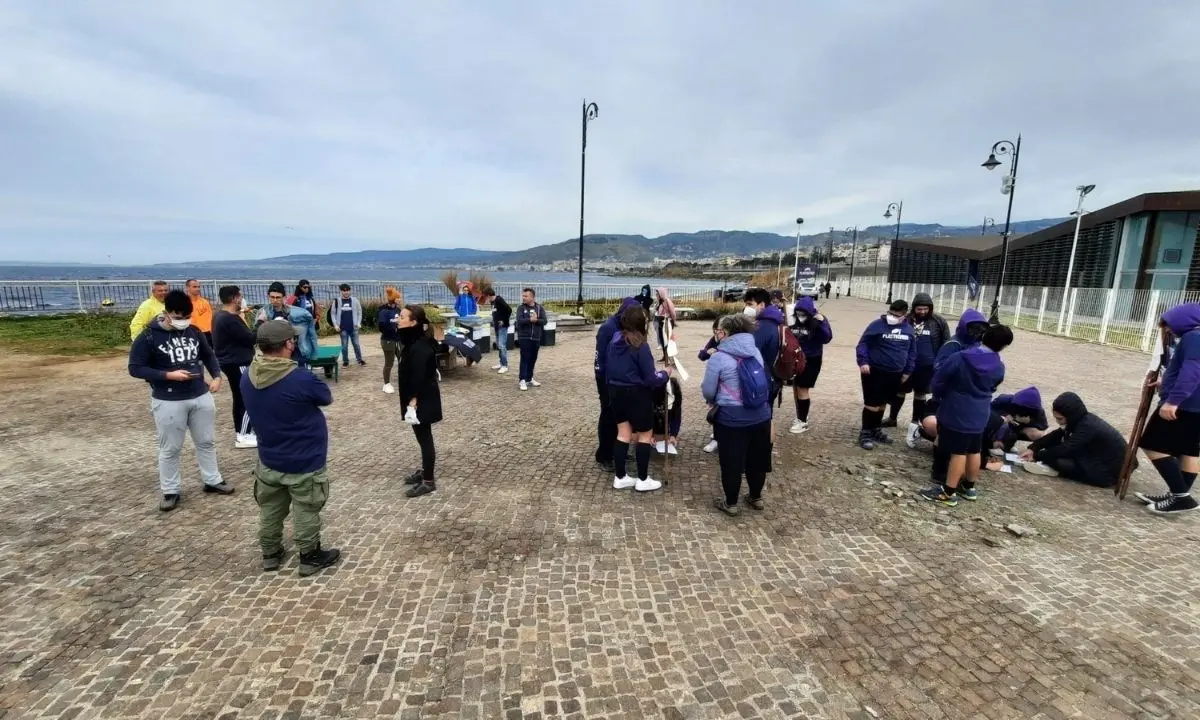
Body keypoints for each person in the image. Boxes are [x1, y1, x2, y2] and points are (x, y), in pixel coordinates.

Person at [241, 319, 340, 576]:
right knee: (306, 507)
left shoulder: (248, 375)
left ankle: (270, 553)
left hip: (269, 457)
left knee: (271, 507)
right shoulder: (299, 378)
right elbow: (325, 396)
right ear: (288, 344)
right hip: (303, 458)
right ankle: (309, 555)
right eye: (292, 340)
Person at [127, 289, 232, 511]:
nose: (183, 321)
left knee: (206, 441)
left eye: (187, 316)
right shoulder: (148, 336)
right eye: (178, 316)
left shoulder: (194, 331)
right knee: (170, 447)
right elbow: (135, 368)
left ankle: (212, 479)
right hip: (169, 399)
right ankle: (170, 490)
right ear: (166, 313)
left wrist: (216, 376)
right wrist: (167, 375)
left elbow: (208, 355)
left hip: (200, 395)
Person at [919, 324, 1013, 506]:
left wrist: (941, 395)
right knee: (974, 449)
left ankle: (948, 492)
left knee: (958, 451)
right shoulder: (998, 366)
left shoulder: (961, 357)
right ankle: (969, 486)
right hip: (980, 410)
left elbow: (939, 379)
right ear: (1003, 346)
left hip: (957, 407)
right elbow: (995, 384)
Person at [1131, 304, 1200, 514]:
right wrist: (1166, 383)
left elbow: (1193, 371)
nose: (1168, 330)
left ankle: (1181, 496)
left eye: (1169, 326)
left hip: (1185, 405)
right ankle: (1177, 495)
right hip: (1195, 405)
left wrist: (1172, 401)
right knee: (1189, 449)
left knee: (1152, 443)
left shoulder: (1193, 338)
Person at [703, 314, 773, 516]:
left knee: (731, 461)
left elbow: (708, 390)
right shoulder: (755, 353)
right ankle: (755, 497)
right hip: (761, 415)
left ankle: (731, 503)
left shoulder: (718, 358)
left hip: (731, 418)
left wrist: (716, 398)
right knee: (758, 458)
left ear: (724, 333)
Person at [920, 308, 990, 484]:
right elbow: (939, 370)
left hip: (968, 401)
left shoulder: (979, 347)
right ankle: (940, 471)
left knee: (965, 443)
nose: (977, 333)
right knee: (944, 435)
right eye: (973, 328)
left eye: (980, 329)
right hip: (950, 397)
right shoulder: (954, 345)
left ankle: (958, 476)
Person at [606, 305, 670, 492]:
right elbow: (651, 378)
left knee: (623, 434)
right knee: (644, 434)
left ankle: (620, 476)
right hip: (636, 393)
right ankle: (642, 479)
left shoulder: (614, 340)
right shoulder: (640, 345)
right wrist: (665, 374)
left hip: (616, 391)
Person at [1019, 392, 1126, 489]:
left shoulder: (1087, 427)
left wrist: (1037, 456)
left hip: (1107, 472)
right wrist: (1034, 448)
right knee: (1052, 450)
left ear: (1071, 415)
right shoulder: (1080, 419)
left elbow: (1066, 448)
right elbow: (1056, 435)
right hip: (1095, 457)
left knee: (1057, 460)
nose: (1058, 422)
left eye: (1060, 419)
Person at [889, 293, 950, 446]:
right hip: (906, 364)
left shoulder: (939, 321)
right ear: (914, 308)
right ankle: (892, 418)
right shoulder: (906, 320)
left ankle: (915, 421)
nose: (922, 312)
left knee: (920, 394)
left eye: (925, 309)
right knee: (899, 391)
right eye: (919, 309)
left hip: (927, 366)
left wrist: (941, 362)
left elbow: (946, 343)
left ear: (930, 308)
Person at [396, 305, 443, 498]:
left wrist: (413, 402)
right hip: (416, 398)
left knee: (425, 440)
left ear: (413, 322)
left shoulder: (420, 347)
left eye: (402, 317)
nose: (398, 320)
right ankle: (425, 471)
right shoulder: (412, 341)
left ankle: (428, 481)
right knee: (422, 438)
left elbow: (420, 376)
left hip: (422, 400)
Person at [855, 300, 916, 449]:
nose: (892, 316)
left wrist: (908, 371)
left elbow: (912, 352)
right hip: (874, 371)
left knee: (882, 404)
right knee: (872, 404)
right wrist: (863, 361)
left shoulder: (908, 330)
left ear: (904, 315)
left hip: (895, 373)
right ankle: (865, 432)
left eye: (896, 315)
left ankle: (875, 428)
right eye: (891, 313)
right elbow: (863, 344)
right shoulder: (877, 325)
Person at [594, 298, 643, 470]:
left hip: (620, 380)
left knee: (620, 417)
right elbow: (599, 357)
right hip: (607, 380)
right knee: (608, 416)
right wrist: (605, 381)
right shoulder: (608, 328)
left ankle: (616, 450)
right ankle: (604, 455)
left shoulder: (625, 327)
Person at [212, 285, 257, 448]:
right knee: (246, 397)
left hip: (229, 361)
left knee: (239, 397)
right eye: (240, 297)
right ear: (234, 298)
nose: (242, 300)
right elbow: (250, 338)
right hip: (238, 362)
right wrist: (261, 323)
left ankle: (245, 431)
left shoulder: (219, 316)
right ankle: (244, 434)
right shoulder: (230, 319)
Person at [787, 297, 833, 434]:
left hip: (811, 359)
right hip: (795, 358)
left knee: (802, 389)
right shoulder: (793, 320)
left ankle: (803, 422)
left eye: (804, 314)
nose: (801, 316)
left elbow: (827, 338)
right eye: (798, 313)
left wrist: (821, 322)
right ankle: (802, 414)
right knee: (796, 388)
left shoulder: (817, 321)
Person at [256, 281, 317, 367]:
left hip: (295, 352)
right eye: (272, 297)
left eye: (278, 297)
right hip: (275, 354)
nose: (275, 300)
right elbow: (258, 335)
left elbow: (310, 332)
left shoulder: (295, 312)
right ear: (268, 296)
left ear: (284, 297)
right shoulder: (263, 313)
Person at [987, 387, 1048, 455]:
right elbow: (988, 409)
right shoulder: (1004, 400)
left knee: (1037, 434)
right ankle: (996, 444)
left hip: (1020, 428)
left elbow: (1043, 425)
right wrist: (1005, 415)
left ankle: (1007, 445)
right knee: (1003, 424)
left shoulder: (1038, 411)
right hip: (1003, 425)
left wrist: (1029, 422)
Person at [515, 287, 547, 391]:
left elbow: (544, 321)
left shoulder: (539, 308)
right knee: (525, 358)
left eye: (526, 296)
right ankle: (522, 379)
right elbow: (519, 321)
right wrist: (530, 320)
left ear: (532, 297)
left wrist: (536, 320)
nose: (523, 297)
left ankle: (529, 378)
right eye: (523, 296)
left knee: (533, 358)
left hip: (536, 337)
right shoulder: (521, 308)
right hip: (524, 337)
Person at [698, 318, 721, 454]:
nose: (716, 333)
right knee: (714, 409)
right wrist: (708, 352)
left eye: (718, 331)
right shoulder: (714, 339)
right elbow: (701, 355)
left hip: (725, 381)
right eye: (715, 330)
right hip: (714, 379)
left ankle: (719, 437)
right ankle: (716, 435)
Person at [329, 283, 365, 368]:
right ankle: (345, 361)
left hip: (354, 327)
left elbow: (360, 312)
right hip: (342, 328)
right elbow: (333, 313)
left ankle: (359, 360)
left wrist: (359, 322)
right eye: (344, 291)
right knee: (344, 346)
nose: (346, 292)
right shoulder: (337, 301)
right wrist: (335, 325)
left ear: (350, 291)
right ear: (341, 291)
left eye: (348, 290)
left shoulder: (355, 300)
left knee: (356, 344)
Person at [378, 287, 403, 393]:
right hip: (388, 340)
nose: (400, 299)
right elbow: (381, 327)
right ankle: (386, 384)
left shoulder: (398, 310)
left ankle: (404, 379)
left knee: (403, 360)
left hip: (399, 340)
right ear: (393, 299)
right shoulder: (384, 311)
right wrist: (394, 328)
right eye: (398, 298)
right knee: (389, 363)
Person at [483, 288, 512, 374]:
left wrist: (503, 320)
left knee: (502, 345)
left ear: (488, 295)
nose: (485, 299)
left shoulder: (499, 300)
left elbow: (509, 310)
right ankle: (501, 363)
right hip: (497, 326)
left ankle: (505, 365)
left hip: (502, 326)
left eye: (485, 297)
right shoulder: (493, 302)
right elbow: (496, 312)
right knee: (499, 345)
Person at [653, 376, 683, 455]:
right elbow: (646, 417)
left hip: (664, 424)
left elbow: (676, 418)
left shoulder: (676, 398)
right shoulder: (654, 395)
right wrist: (649, 435)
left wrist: (673, 435)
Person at [185, 279, 215, 347]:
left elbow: (210, 316)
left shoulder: (205, 302)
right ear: (187, 288)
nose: (198, 289)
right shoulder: (184, 302)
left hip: (207, 333)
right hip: (192, 333)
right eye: (194, 287)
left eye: (198, 287)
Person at [653, 287, 678, 361]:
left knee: (667, 340)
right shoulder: (659, 302)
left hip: (667, 322)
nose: (656, 295)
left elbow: (673, 312)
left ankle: (669, 356)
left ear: (661, 294)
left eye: (658, 294)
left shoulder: (667, 301)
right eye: (656, 294)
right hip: (661, 322)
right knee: (662, 340)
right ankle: (665, 356)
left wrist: (674, 321)